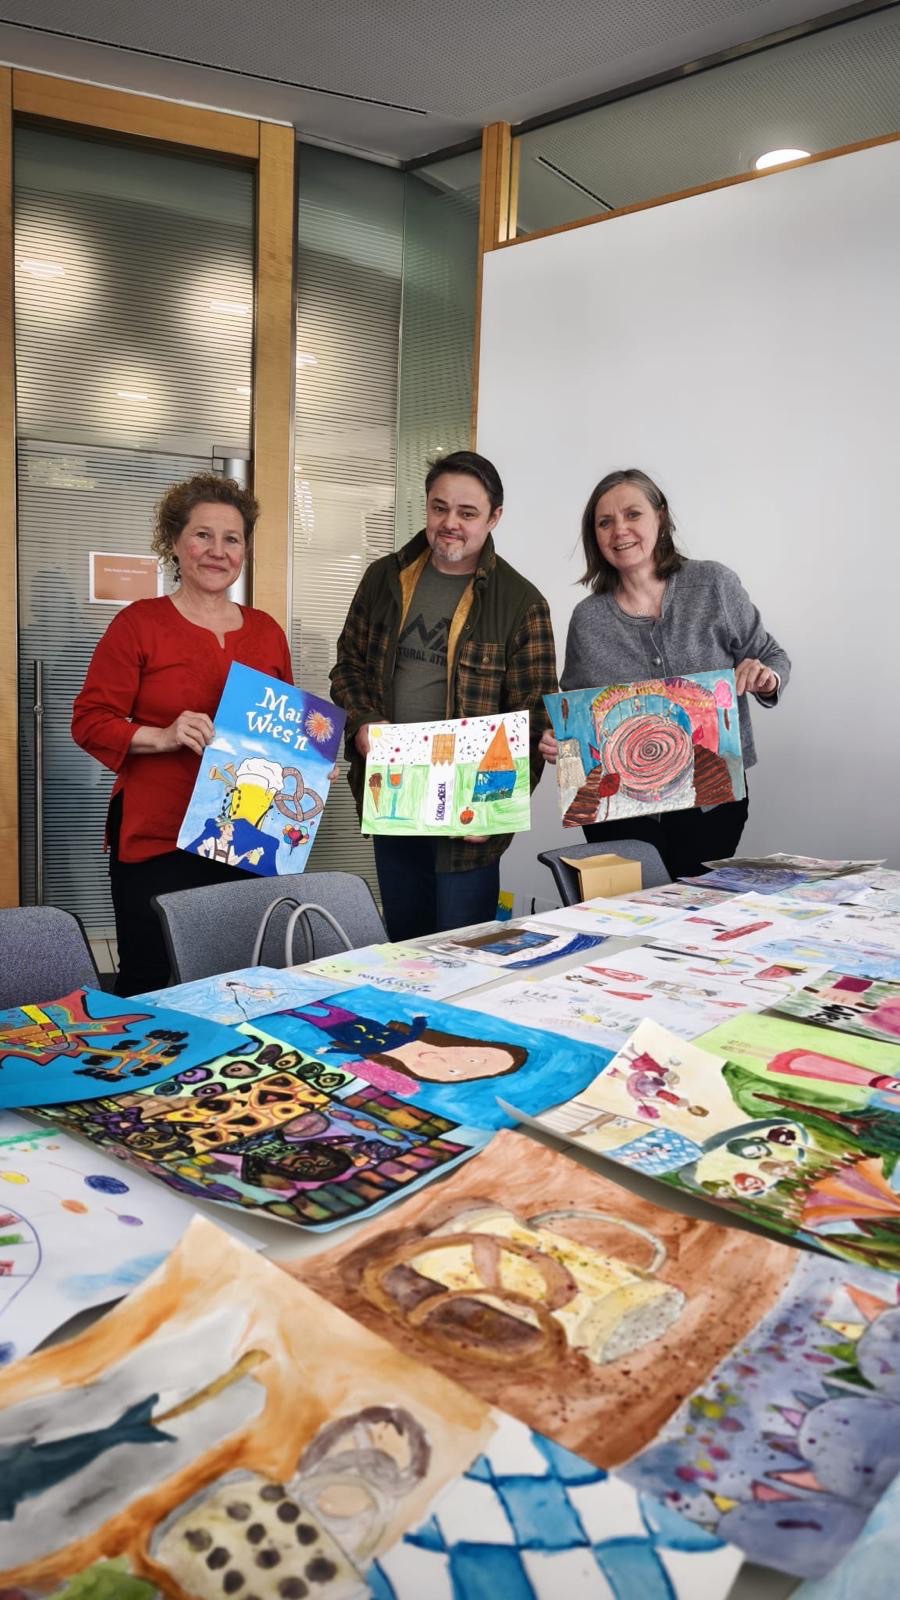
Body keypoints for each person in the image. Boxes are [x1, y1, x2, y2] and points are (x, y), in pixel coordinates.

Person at [72, 473, 292, 996]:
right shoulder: (138, 624)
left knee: (241, 974)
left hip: (244, 833)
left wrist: (307, 756)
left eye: (231, 539)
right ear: (174, 542)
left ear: (244, 549)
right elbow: (90, 720)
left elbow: (282, 731)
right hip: (156, 833)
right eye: (202, 535)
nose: (217, 551)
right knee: (148, 977)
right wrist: (163, 735)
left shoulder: (266, 632)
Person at [331, 450, 558, 939]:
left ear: (495, 517)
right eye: (439, 508)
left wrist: (496, 814)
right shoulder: (383, 579)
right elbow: (347, 667)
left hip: (468, 819)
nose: (449, 523)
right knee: (405, 945)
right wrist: (364, 721)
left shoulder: (521, 602)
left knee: (463, 955)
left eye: (467, 513)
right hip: (393, 797)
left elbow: (534, 716)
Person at [539, 468, 790, 880]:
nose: (620, 530)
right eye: (605, 522)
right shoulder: (589, 618)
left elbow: (771, 656)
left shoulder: (713, 584)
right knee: (630, 919)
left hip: (712, 800)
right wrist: (559, 742)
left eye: (632, 514)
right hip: (617, 809)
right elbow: (574, 713)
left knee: (694, 916)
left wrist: (766, 677)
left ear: (661, 516)